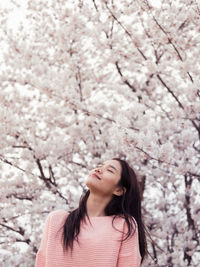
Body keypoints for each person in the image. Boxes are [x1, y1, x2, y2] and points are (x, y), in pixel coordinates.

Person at [35, 158, 147, 267]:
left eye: (110, 170)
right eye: (99, 166)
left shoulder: (124, 225)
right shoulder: (56, 220)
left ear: (119, 190)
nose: (98, 170)